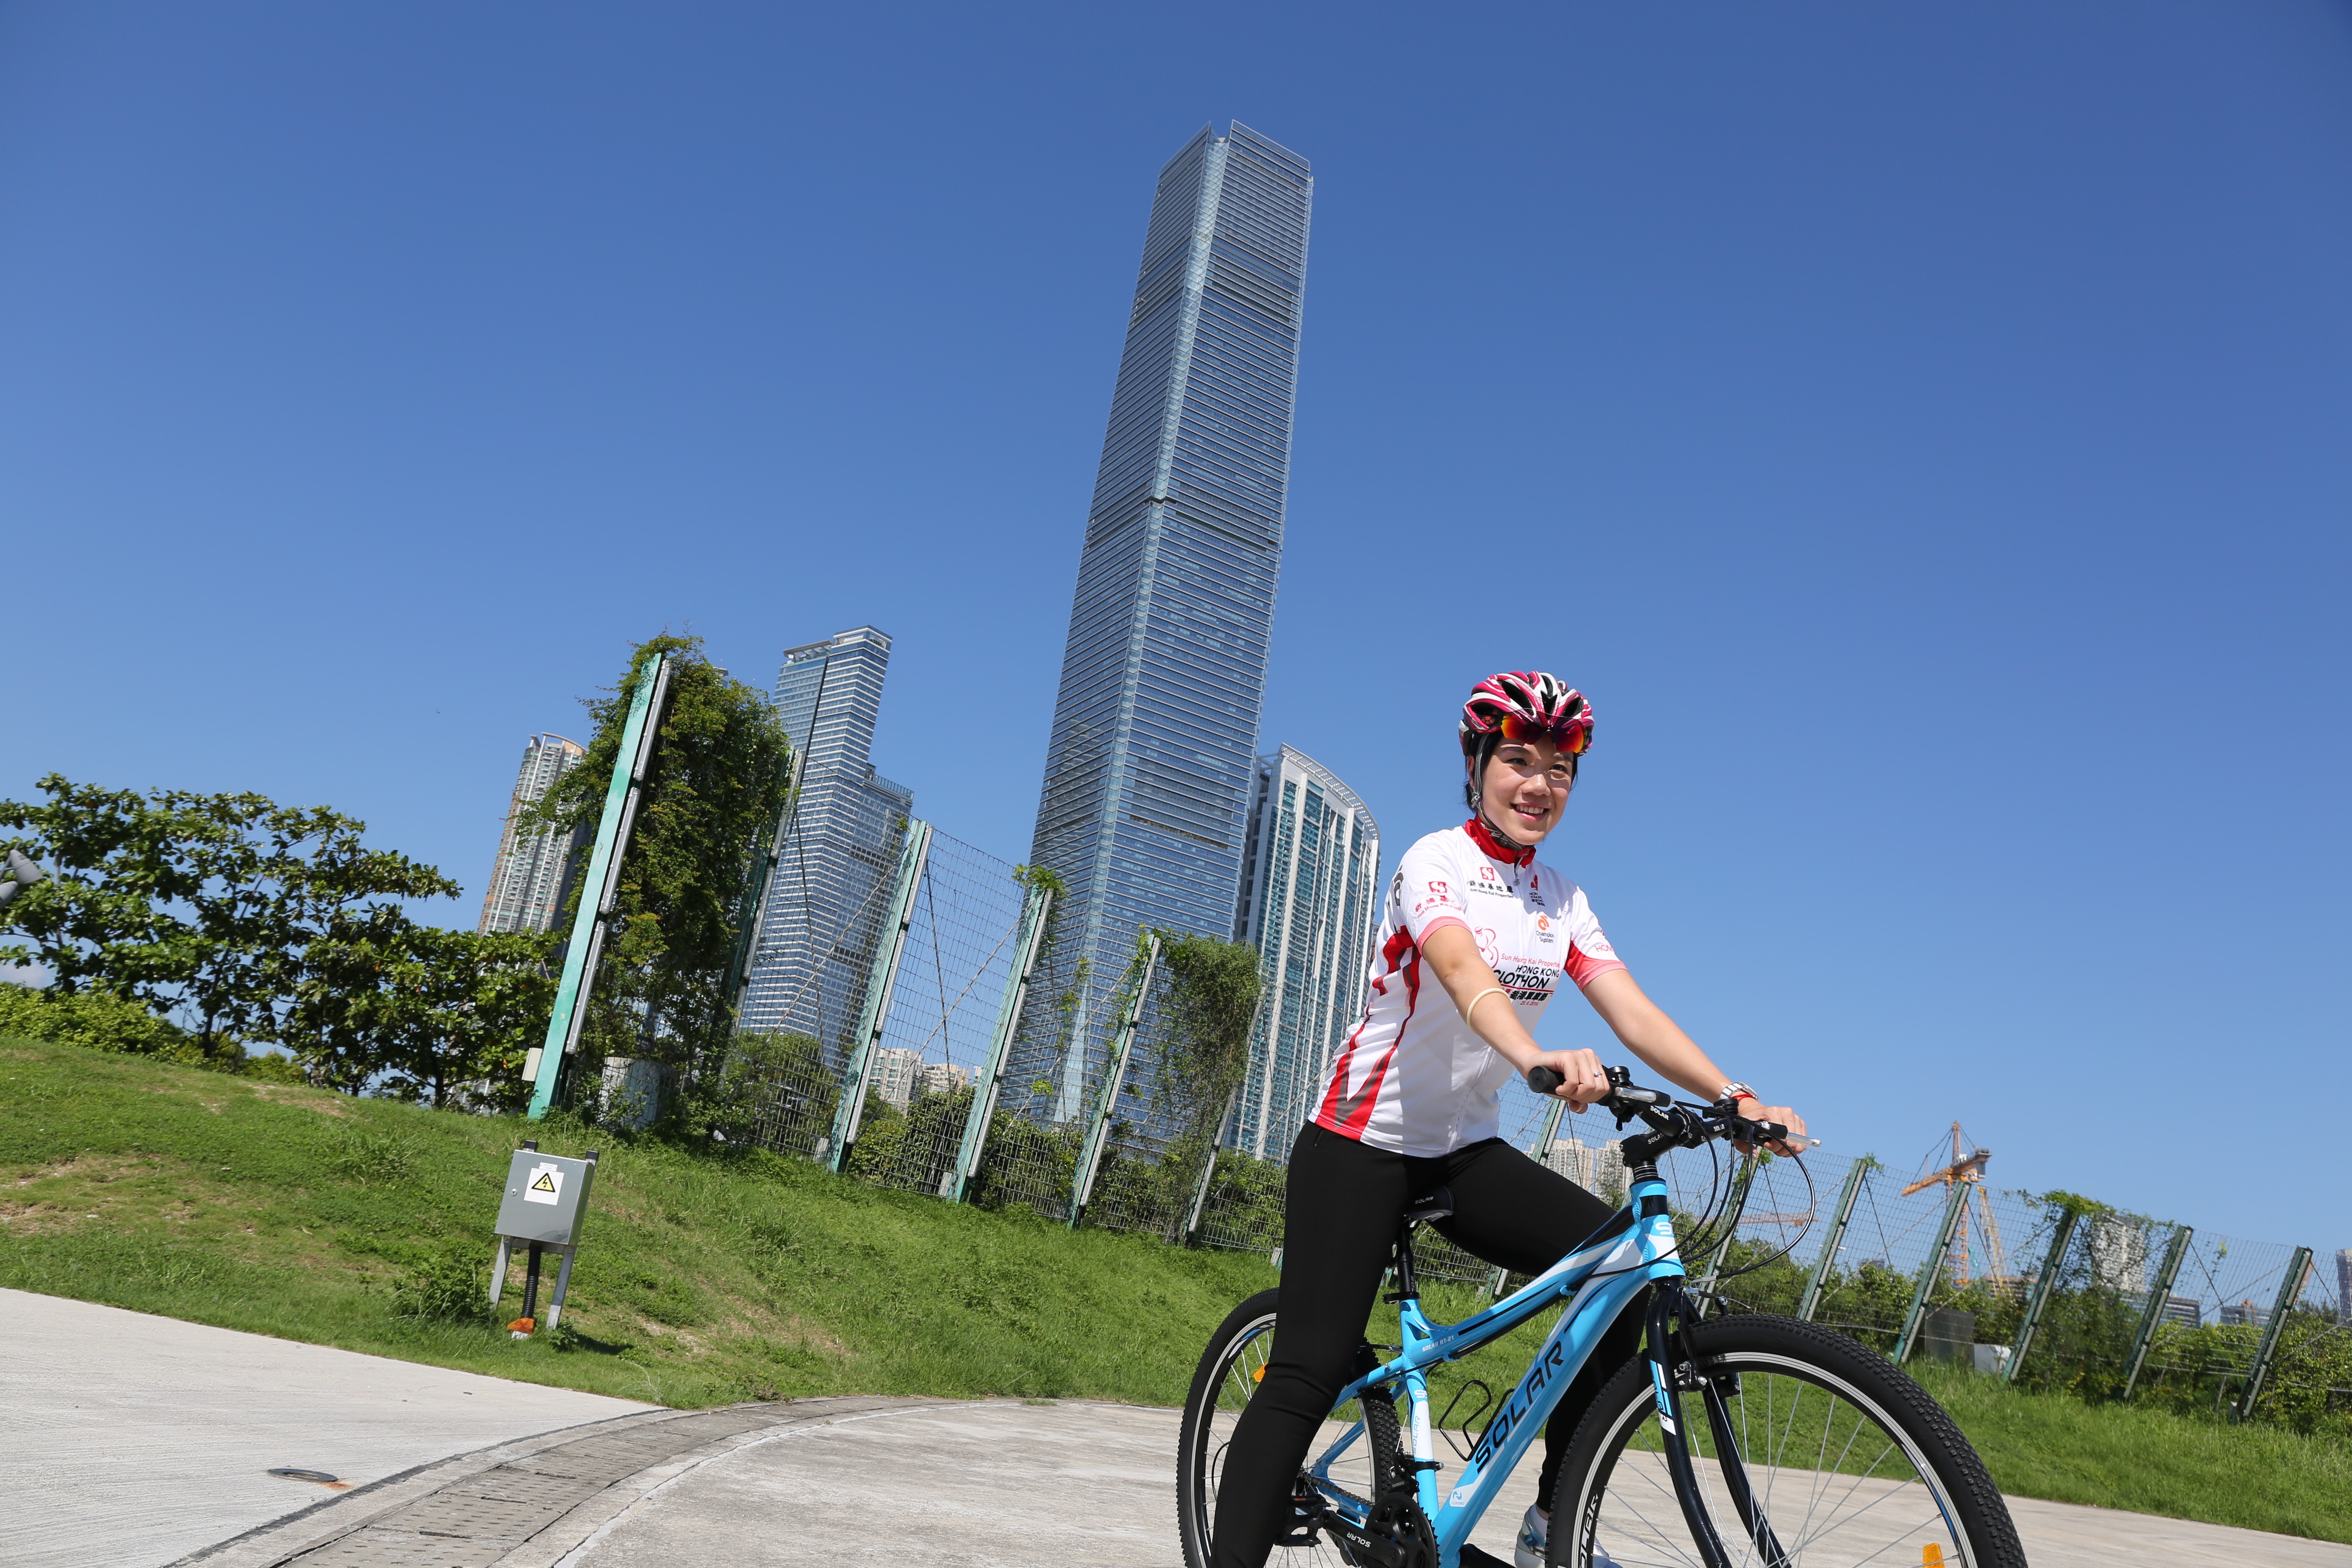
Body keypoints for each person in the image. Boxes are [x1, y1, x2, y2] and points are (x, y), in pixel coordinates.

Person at [1209, 672, 1807, 1568]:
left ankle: (1548, 1526)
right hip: (1359, 1146)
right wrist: (1534, 1058)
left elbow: (1631, 1011)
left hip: (1463, 1153)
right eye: (1519, 761)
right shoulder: (1434, 862)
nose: (1538, 785)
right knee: (1306, 1369)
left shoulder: (1560, 898)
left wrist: (1740, 1099)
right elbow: (1459, 971)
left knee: (1626, 1281)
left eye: (1560, 769)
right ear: (1478, 762)